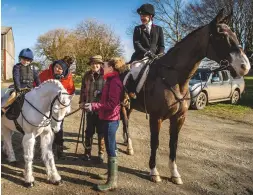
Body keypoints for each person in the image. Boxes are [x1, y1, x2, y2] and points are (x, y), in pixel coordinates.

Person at [84, 57, 124, 191]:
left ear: (111, 68)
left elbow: (112, 104)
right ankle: (109, 173)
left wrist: (94, 105)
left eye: (105, 66)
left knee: (111, 147)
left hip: (110, 119)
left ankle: (112, 181)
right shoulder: (111, 80)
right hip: (109, 118)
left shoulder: (114, 82)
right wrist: (100, 92)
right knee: (111, 146)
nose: (102, 68)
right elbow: (111, 97)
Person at [39, 56, 75, 159]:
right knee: (44, 126)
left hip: (58, 106)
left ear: (64, 70)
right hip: (45, 104)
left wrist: (65, 102)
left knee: (58, 127)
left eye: (60, 68)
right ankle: (45, 147)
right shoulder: (46, 73)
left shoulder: (68, 78)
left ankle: (59, 149)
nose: (57, 69)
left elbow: (71, 91)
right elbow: (37, 84)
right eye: (56, 67)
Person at [79, 55, 105, 162]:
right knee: (89, 131)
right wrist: (81, 101)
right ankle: (87, 152)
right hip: (89, 108)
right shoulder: (86, 75)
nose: (95, 65)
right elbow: (82, 90)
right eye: (93, 63)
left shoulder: (106, 75)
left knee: (101, 132)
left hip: (101, 109)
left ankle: (101, 153)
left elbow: (109, 92)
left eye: (97, 63)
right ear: (90, 65)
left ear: (101, 64)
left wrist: (101, 93)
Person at [1, 48, 41, 113]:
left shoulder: (33, 68)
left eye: (28, 60)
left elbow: (37, 79)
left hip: (30, 89)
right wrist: (18, 88)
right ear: (20, 58)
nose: (25, 61)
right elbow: (16, 77)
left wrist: (40, 87)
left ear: (30, 61)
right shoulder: (17, 67)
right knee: (13, 95)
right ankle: (4, 108)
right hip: (20, 88)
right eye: (24, 59)